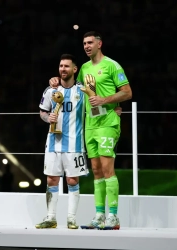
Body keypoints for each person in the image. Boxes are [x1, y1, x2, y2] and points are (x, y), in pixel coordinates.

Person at [49, 31, 132, 230]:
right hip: (90, 125)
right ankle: (99, 216)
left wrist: (106, 100)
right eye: (84, 43)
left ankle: (113, 216)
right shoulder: (84, 68)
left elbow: (127, 92)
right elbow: (70, 86)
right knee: (95, 171)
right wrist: (54, 81)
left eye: (90, 43)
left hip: (107, 123)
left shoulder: (112, 65)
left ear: (99, 44)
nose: (86, 46)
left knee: (107, 168)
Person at [36, 53, 89, 229]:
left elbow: (95, 106)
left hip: (75, 144)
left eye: (66, 66)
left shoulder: (82, 91)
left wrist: (115, 109)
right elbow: (42, 112)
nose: (62, 69)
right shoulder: (51, 90)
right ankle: (51, 217)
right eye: (60, 66)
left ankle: (71, 218)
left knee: (72, 181)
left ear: (75, 69)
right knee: (51, 180)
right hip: (53, 143)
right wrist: (47, 118)